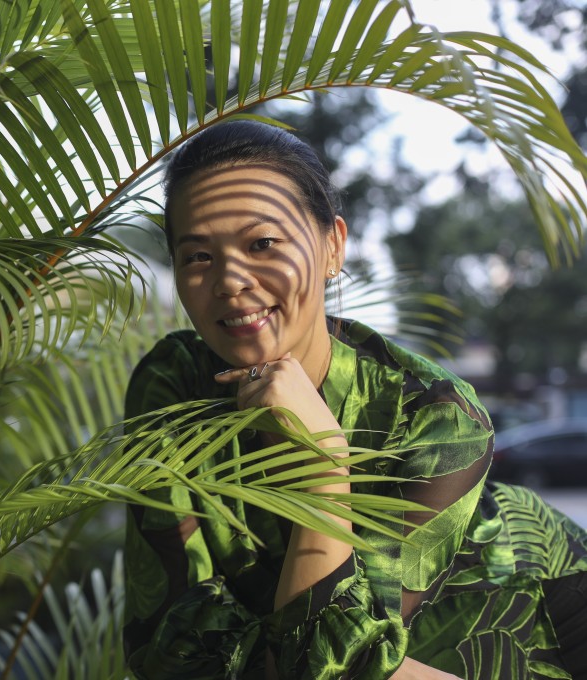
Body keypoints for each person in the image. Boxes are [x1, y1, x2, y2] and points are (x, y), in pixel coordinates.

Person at [123, 120, 587, 679]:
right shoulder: (173, 382)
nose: (230, 281)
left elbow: (332, 664)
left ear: (332, 246)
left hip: (536, 624)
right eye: (197, 256)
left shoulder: (437, 418)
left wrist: (323, 467)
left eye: (262, 243)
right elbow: (168, 643)